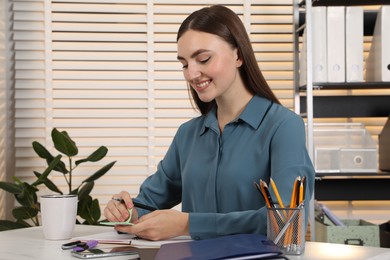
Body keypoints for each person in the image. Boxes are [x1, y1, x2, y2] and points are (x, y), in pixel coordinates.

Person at [103, 4, 315, 241]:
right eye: (184, 64)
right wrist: (125, 210)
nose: (191, 74)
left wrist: (188, 225)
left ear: (239, 55)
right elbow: (147, 203)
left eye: (203, 59)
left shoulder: (283, 127)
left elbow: (286, 220)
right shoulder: (188, 134)